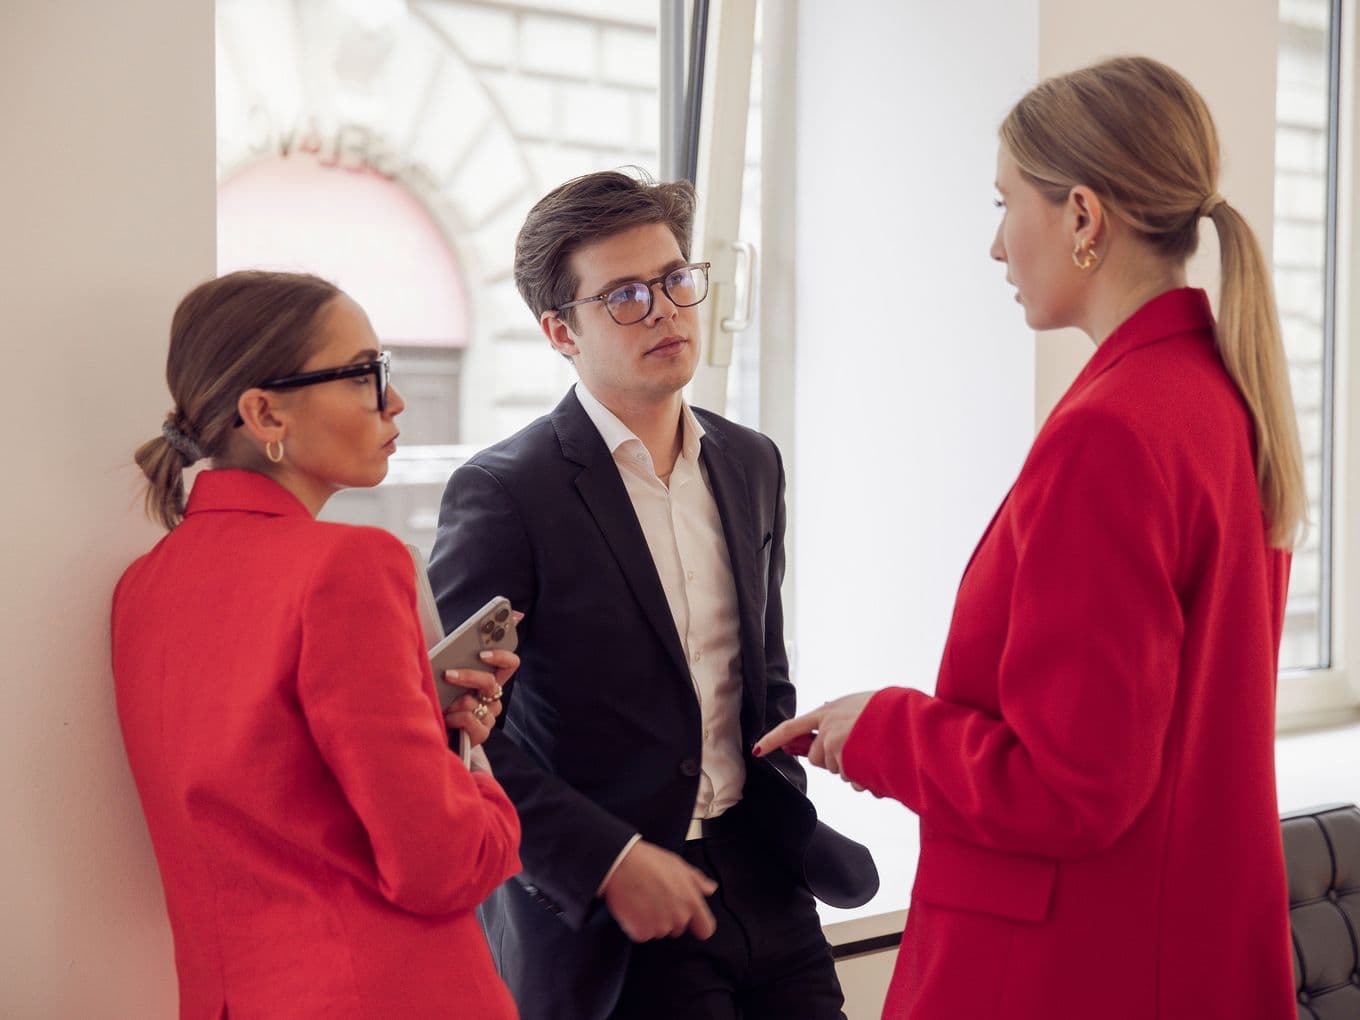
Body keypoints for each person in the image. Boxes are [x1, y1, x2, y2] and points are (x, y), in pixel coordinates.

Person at [758, 56, 1302, 1018]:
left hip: (1078, 966)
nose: (998, 247)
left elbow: (1073, 788)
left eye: (1006, 202)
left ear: (1084, 217)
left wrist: (878, 726)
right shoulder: (1215, 400)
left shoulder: (1115, 432)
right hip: (1176, 949)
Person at [427, 170, 877, 1020]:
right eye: (626, 296)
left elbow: (760, 669)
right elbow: (458, 735)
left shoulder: (751, 462)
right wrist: (607, 860)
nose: (667, 310)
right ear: (561, 330)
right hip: (621, 907)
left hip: (766, 876)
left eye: (675, 280)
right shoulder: (505, 493)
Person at [112, 270, 523, 1019]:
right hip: (387, 994)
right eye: (368, 374)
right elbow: (440, 865)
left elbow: (275, 796)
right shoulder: (351, 564)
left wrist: (440, 732)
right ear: (264, 413)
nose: (393, 401)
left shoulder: (143, 587)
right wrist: (480, 780)